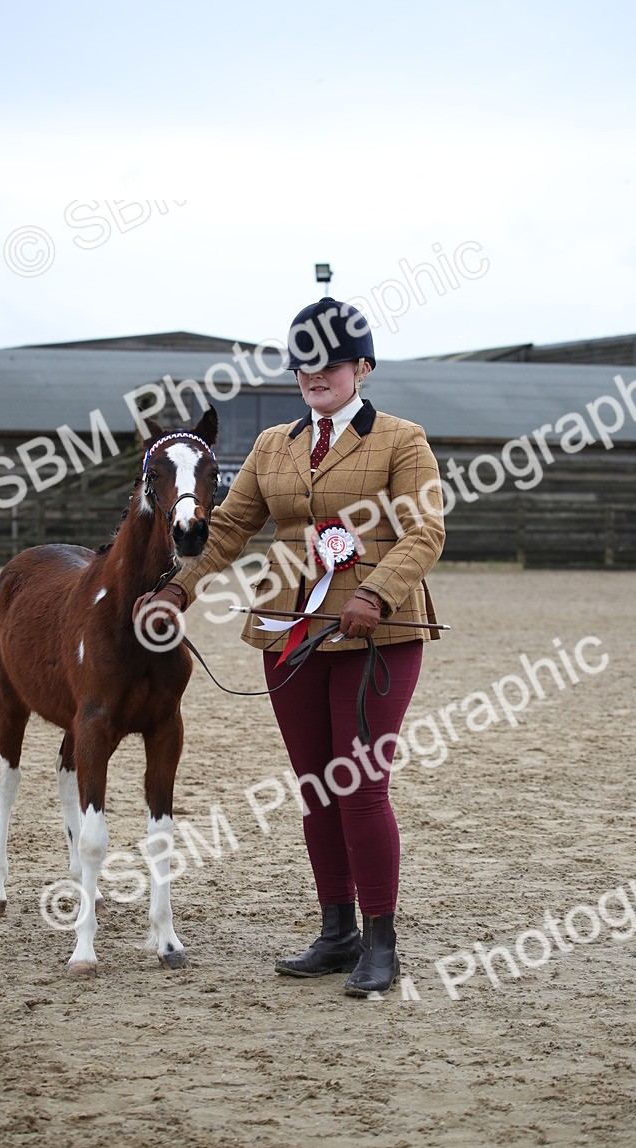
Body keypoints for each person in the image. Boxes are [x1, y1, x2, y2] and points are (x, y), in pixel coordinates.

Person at [133, 298, 446, 996]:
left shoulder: (402, 440)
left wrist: (376, 594)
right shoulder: (275, 445)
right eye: (303, 364)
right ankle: (336, 932)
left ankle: (380, 941)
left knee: (360, 786)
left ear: (361, 368)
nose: (314, 375)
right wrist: (178, 588)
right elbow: (228, 530)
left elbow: (425, 533)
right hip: (289, 632)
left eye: (329, 363)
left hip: (376, 634)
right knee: (315, 789)